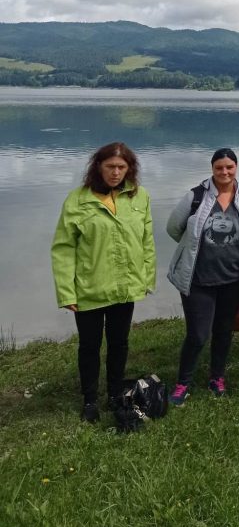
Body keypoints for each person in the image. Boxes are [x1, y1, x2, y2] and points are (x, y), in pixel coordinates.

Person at [51, 142, 156, 422]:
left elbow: (146, 240)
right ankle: (89, 400)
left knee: (119, 343)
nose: (115, 172)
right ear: (98, 166)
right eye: (110, 166)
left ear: (129, 169)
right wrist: (66, 292)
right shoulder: (77, 200)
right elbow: (63, 249)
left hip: (125, 287)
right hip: (89, 288)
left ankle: (114, 393)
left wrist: (146, 277)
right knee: (89, 346)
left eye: (121, 167)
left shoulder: (140, 197)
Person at [166, 148, 239, 405]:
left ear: (236, 168)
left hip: (233, 280)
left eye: (229, 167)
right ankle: (183, 382)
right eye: (219, 167)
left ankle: (217, 377)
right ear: (212, 168)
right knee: (197, 335)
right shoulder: (195, 196)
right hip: (198, 280)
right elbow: (174, 228)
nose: (224, 172)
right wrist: (194, 245)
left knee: (223, 332)